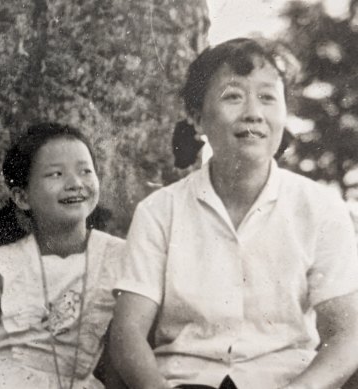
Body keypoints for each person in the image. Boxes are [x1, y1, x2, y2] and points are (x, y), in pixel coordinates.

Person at [109, 38, 358, 389]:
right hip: (184, 382)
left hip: (288, 381)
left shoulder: (320, 208)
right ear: (197, 118)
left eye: (268, 97)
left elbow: (347, 334)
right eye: (233, 96)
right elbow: (128, 332)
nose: (253, 112)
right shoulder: (159, 211)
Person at [0, 123, 125, 389]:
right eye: (56, 174)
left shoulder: (119, 257)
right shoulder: (0, 267)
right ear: (21, 196)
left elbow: (118, 362)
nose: (75, 183)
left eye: (86, 171)